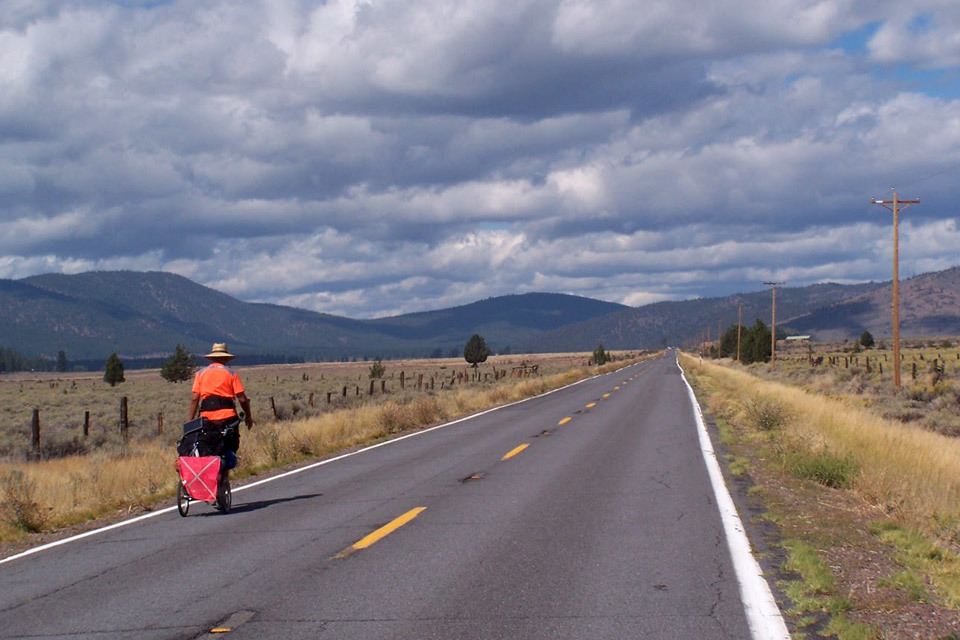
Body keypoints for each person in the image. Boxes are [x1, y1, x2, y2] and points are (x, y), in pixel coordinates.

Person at [187, 343, 253, 470]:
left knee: (208, 446)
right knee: (230, 446)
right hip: (227, 417)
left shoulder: (200, 374)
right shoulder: (231, 374)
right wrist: (248, 417)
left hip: (206, 418)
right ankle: (224, 475)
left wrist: (191, 420)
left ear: (211, 358)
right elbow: (242, 399)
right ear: (226, 358)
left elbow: (195, 399)